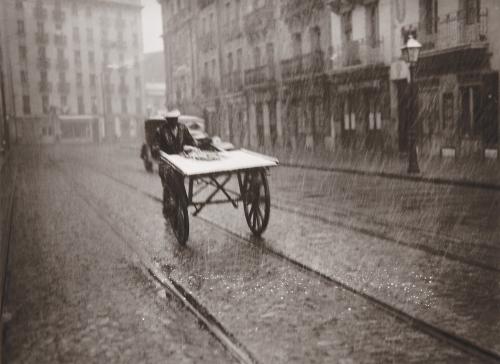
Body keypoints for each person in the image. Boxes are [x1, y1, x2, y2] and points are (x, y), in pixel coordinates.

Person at [155, 109, 198, 218]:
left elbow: (191, 141)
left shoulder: (182, 128)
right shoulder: (160, 130)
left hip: (180, 162)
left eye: (175, 120)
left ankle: (181, 203)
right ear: (167, 120)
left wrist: (192, 146)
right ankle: (168, 207)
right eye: (171, 120)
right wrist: (161, 152)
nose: (173, 122)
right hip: (166, 163)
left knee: (179, 182)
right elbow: (155, 147)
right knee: (168, 185)